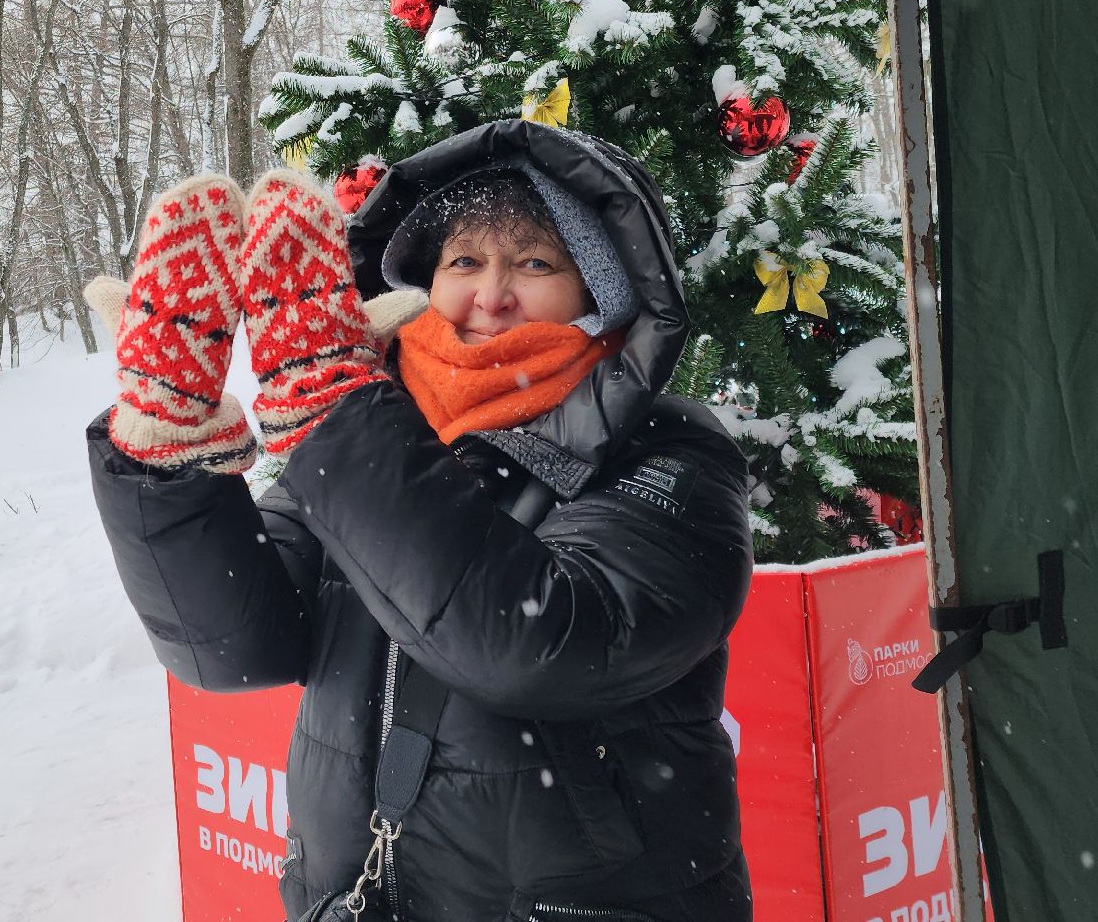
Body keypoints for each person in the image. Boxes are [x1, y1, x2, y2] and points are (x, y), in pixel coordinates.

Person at [86, 120, 754, 922]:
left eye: (535, 263)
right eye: (463, 261)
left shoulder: (669, 449)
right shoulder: (378, 431)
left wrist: (339, 418)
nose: (490, 295)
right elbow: (237, 645)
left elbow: (539, 647)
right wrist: (168, 449)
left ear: (600, 291)